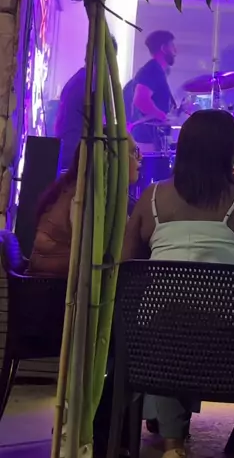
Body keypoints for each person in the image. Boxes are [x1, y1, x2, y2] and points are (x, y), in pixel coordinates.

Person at [122, 109, 234, 458]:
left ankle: (173, 456)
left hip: (154, 354)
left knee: (170, 327)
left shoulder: (151, 199)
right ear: (230, 153)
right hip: (233, 357)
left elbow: (129, 265)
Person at [29, 133, 141, 278]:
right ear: (109, 158)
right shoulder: (85, 195)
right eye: (134, 152)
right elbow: (99, 252)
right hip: (55, 284)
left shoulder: (87, 188)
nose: (140, 157)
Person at [54, 36, 118, 170]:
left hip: (70, 152)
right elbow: (96, 126)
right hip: (76, 155)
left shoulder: (80, 79)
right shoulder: (88, 84)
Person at [131, 30, 177, 150]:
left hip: (150, 138)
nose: (175, 51)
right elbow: (141, 100)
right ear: (164, 48)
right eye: (172, 46)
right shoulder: (152, 70)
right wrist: (162, 117)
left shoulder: (156, 70)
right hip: (147, 140)